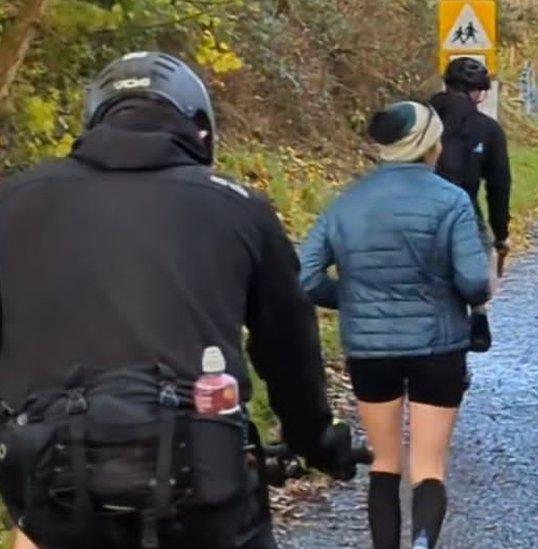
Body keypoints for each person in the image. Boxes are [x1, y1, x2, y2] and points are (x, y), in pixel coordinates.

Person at [0, 52, 366, 549]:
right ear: (201, 129)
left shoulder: (14, 202)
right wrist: (316, 441)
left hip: (56, 488)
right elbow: (289, 348)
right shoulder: (238, 206)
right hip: (202, 491)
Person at [299, 102, 490, 549]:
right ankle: (423, 543)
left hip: (370, 349)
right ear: (428, 146)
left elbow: (305, 277)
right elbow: (475, 283)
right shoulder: (452, 201)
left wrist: (351, 300)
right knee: (429, 465)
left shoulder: (346, 204)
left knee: (385, 460)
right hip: (438, 346)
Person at [430, 56, 512, 352]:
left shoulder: (423, 119)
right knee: (478, 264)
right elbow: (499, 185)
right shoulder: (487, 128)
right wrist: (501, 233)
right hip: (464, 209)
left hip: (418, 208)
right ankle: (478, 313)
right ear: (477, 92)